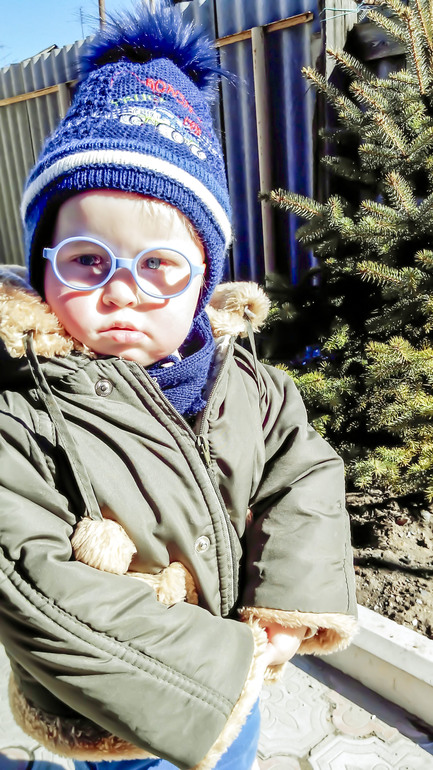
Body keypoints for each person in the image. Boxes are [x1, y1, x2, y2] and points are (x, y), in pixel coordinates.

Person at [0, 2, 357, 769]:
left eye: (158, 264)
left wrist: (283, 614)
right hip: (114, 717)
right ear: (42, 269)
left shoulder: (247, 384)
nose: (122, 292)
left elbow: (304, 473)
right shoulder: (21, 409)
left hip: (239, 679)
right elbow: (33, 581)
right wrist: (220, 671)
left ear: (203, 281)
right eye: (87, 260)